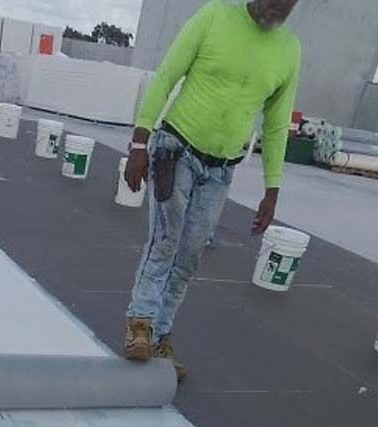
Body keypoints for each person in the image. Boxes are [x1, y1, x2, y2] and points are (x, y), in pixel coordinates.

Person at [124, 0, 301, 376]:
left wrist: (273, 188)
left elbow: (275, 124)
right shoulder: (214, 15)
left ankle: (161, 337)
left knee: (188, 257)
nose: (281, 6)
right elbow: (168, 75)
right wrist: (139, 142)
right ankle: (140, 325)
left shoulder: (289, 50)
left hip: (221, 170)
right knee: (164, 242)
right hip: (176, 150)